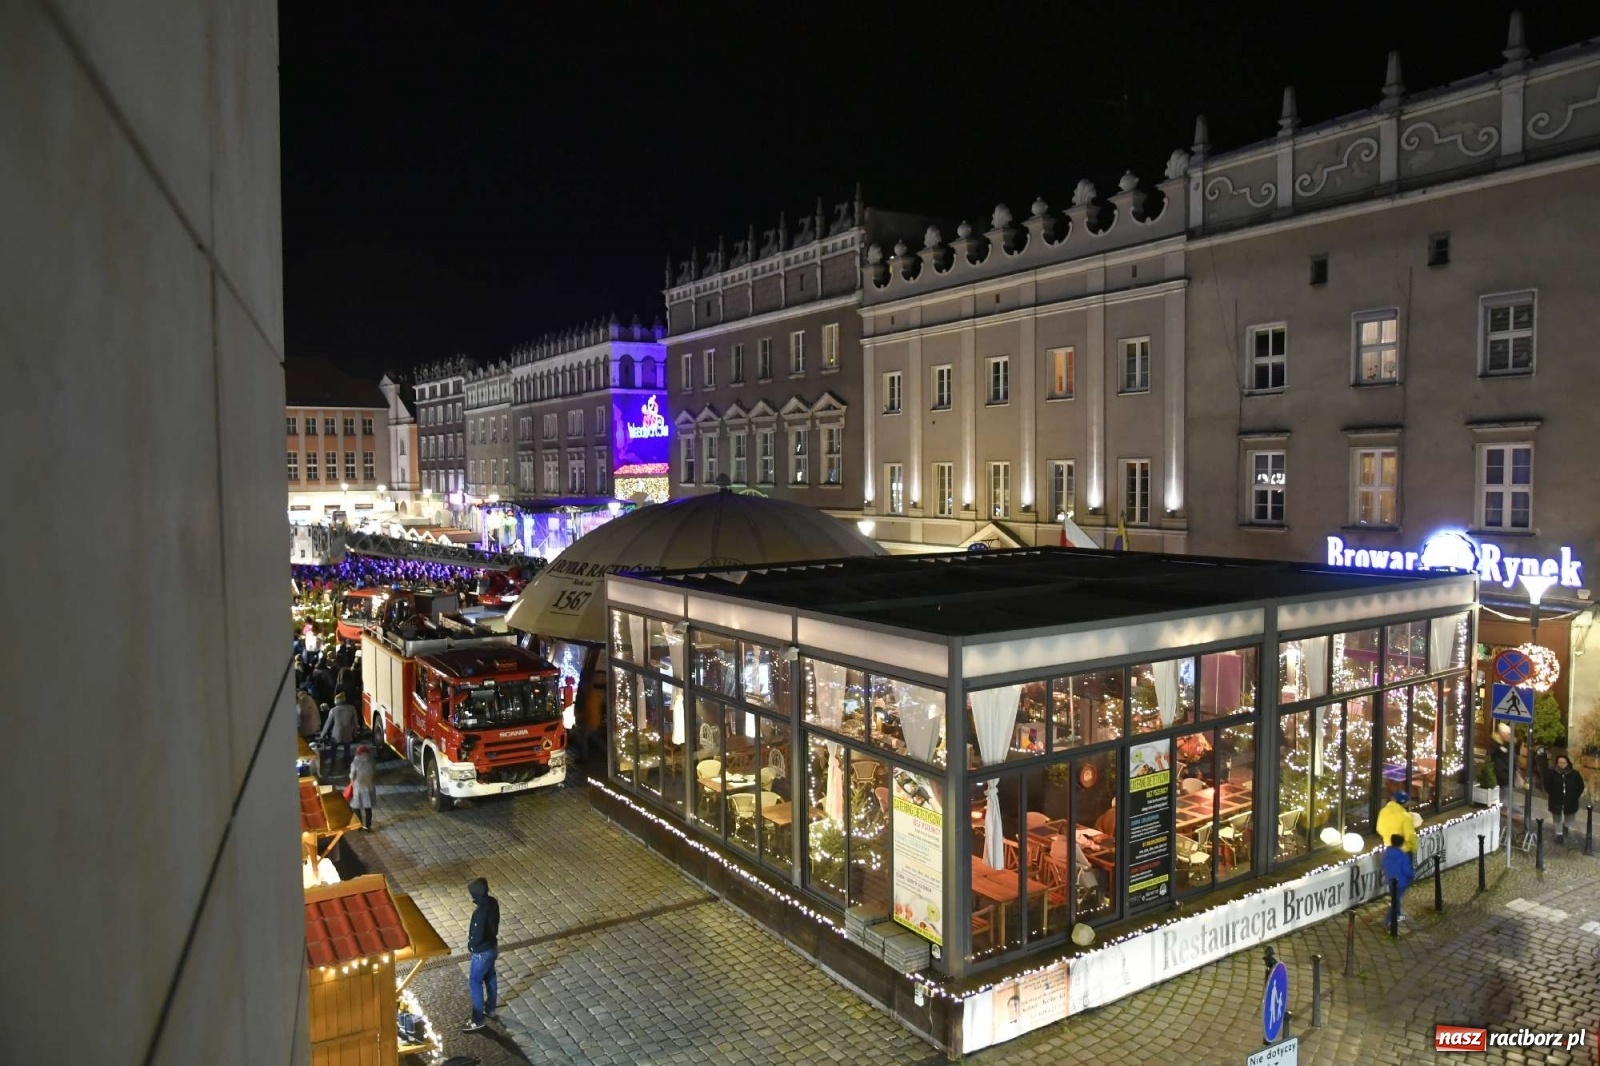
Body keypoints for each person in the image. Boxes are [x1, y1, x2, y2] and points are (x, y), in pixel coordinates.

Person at [462, 877, 500, 1032]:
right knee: (490, 976)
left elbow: (476, 937)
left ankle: (477, 1019)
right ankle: (490, 1008)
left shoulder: (479, 913)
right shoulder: (492, 902)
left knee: (475, 982)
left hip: (481, 952)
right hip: (492, 946)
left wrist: (471, 946)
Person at [1544, 754, 1586, 842]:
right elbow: (1547, 784)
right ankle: (1559, 834)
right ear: (1557, 763)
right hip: (1556, 799)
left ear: (1567, 763)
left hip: (1571, 800)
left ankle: (1566, 826)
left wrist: (1576, 795)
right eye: (1560, 762)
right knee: (1557, 818)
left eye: (1564, 762)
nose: (1562, 764)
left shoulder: (1574, 774)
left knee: (1570, 817)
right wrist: (1552, 793)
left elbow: (1581, 786)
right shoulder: (1551, 773)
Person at [1381, 832, 1414, 933]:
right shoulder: (1403, 856)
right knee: (1396, 900)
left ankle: (1398, 915)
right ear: (1401, 844)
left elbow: (1384, 865)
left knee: (1395, 898)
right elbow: (1407, 870)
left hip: (1390, 880)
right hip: (1401, 881)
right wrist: (1412, 875)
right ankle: (1389, 920)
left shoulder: (1387, 853)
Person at [1376, 790, 1418, 855]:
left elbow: (1379, 829)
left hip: (1389, 850)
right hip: (1404, 851)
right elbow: (1410, 836)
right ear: (1405, 803)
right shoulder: (1405, 816)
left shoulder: (1383, 812)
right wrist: (1414, 848)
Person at [320, 697, 358, 768]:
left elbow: (328, 723)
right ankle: (346, 764)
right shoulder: (352, 708)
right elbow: (355, 722)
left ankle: (333, 764)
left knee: (333, 749)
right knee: (347, 749)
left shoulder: (333, 710)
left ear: (336, 701)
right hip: (347, 732)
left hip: (336, 733)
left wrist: (323, 734)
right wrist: (355, 732)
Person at [348, 744, 377, 830]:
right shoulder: (372, 761)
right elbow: (374, 772)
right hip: (369, 786)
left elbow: (352, 776)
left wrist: (352, 781)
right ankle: (368, 826)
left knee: (356, 807)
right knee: (368, 807)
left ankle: (359, 825)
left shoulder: (355, 763)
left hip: (358, 788)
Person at [1490, 723, 1513, 808]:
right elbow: (1493, 758)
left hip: (1506, 775)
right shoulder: (1495, 743)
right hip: (1500, 775)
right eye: (1507, 734)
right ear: (1502, 734)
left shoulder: (1507, 743)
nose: (1508, 736)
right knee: (1501, 797)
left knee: (1504, 797)